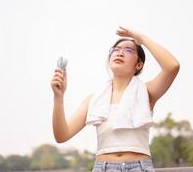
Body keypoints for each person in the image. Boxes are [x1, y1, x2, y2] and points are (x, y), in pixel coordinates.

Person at [51, 26, 180, 172]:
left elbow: (172, 66)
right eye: (116, 49)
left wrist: (142, 39)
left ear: (139, 64)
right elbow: (62, 135)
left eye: (128, 50)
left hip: (139, 167)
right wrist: (58, 97)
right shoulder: (94, 99)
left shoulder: (146, 92)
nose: (120, 53)